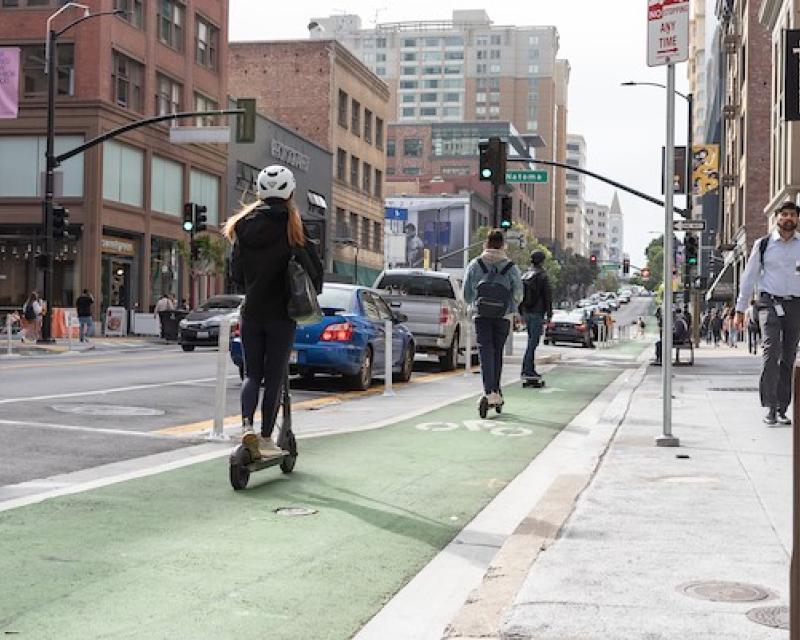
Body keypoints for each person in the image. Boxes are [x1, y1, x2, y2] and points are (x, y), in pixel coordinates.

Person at [224, 165, 323, 459]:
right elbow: (315, 272)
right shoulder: (293, 226)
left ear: (259, 191)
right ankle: (266, 437)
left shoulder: (242, 226)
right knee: (275, 377)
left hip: (251, 311)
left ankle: (246, 427)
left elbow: (235, 274)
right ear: (290, 192)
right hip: (282, 314)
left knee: (251, 375)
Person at [735, 201, 800, 425]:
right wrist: (739, 309)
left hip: (795, 306)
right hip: (768, 303)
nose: (788, 218)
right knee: (771, 350)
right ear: (777, 218)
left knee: (789, 357)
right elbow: (749, 276)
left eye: (792, 214)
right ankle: (770, 406)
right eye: (784, 215)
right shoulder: (762, 245)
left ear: (797, 219)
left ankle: (782, 407)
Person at [462, 229, 523, 409]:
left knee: (485, 352)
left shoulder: (475, 264)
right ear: (503, 245)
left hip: (481, 315)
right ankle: (495, 390)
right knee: (497, 353)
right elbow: (519, 293)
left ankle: (489, 392)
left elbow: (466, 293)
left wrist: (474, 302)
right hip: (503, 316)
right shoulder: (511, 267)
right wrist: (511, 306)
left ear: (485, 244)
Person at [518, 249, 553, 382]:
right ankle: (527, 369)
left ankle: (529, 368)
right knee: (533, 342)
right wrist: (549, 314)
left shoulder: (525, 275)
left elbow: (519, 294)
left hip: (526, 311)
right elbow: (547, 296)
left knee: (531, 341)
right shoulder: (542, 276)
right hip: (537, 312)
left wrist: (520, 311)